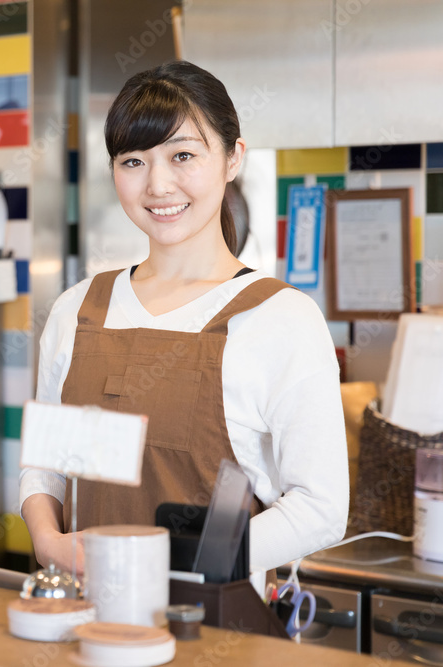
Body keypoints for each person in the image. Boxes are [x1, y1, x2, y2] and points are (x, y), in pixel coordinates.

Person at [20, 61, 348, 575]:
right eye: (133, 162)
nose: (158, 185)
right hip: (86, 624)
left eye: (183, 156)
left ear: (233, 158)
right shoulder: (76, 310)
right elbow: (47, 470)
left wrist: (169, 567)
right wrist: (47, 542)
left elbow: (320, 509)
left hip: (217, 634)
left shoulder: (281, 318)